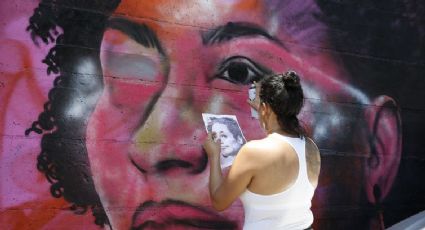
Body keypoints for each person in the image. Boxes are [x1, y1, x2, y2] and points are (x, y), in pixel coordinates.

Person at [23, 0, 404, 229]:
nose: (155, 147)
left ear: (376, 150)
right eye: (129, 70)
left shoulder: (257, 153)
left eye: (239, 74)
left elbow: (223, 198)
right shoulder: (309, 151)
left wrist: (223, 159)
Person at [203, 71, 321, 229]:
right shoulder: (311, 147)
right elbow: (281, 141)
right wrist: (265, 112)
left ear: (265, 108)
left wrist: (214, 156)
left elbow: (219, 201)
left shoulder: (252, 152)